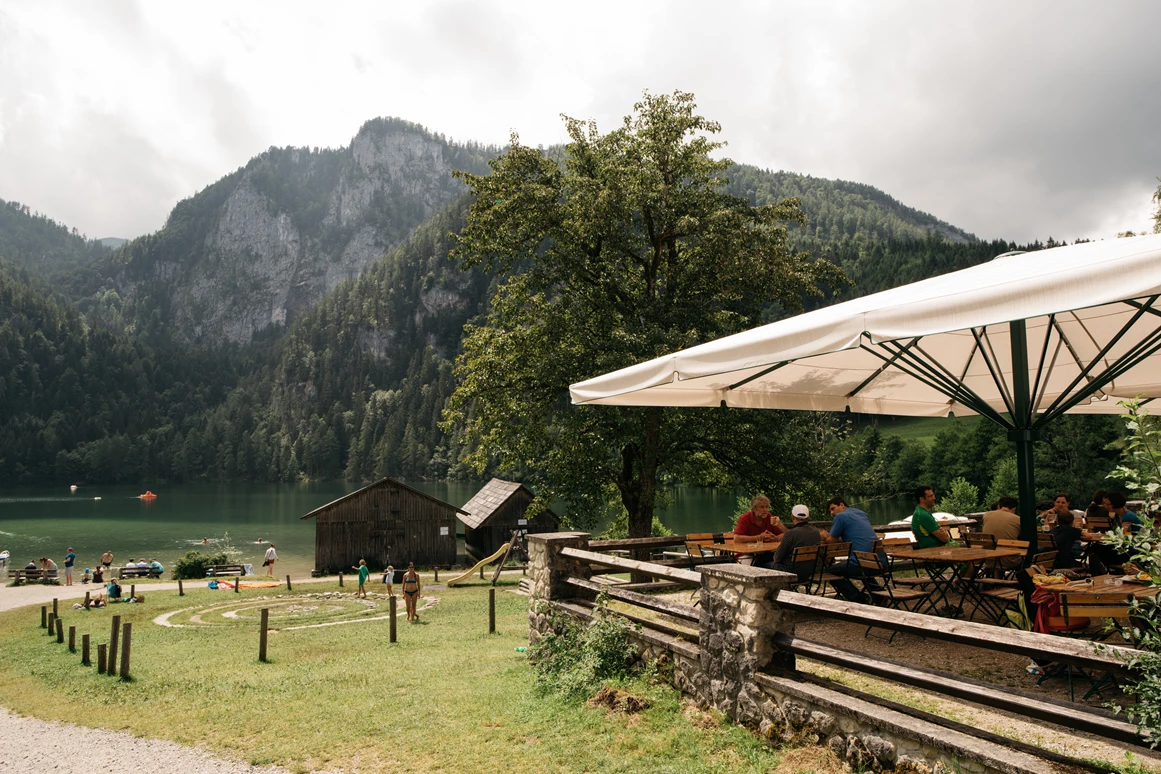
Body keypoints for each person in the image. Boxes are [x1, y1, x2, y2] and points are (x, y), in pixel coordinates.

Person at [821, 496, 882, 603]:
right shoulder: (862, 514)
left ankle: (859, 599)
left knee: (829, 573)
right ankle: (879, 596)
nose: (831, 513)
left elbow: (832, 541)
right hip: (880, 562)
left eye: (833, 508)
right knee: (864, 568)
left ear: (842, 505)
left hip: (861, 563)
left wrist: (825, 537)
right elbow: (850, 536)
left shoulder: (840, 516)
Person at [772, 504, 821, 582]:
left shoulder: (791, 533)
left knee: (764, 565)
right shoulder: (816, 531)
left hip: (792, 572)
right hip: (810, 571)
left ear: (792, 517)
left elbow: (777, 558)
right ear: (808, 517)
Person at [734, 495, 785, 569]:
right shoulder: (744, 518)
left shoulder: (769, 517)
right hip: (745, 554)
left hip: (764, 553)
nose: (765, 510)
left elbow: (784, 534)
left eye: (767, 507)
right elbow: (737, 539)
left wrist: (776, 538)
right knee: (750, 569)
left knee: (780, 564)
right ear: (754, 509)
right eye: (762, 507)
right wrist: (759, 537)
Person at [982, 496, 1022, 570]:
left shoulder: (986, 515)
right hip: (1009, 560)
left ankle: (997, 579)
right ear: (1014, 508)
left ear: (999, 506)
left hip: (989, 558)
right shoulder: (1017, 519)